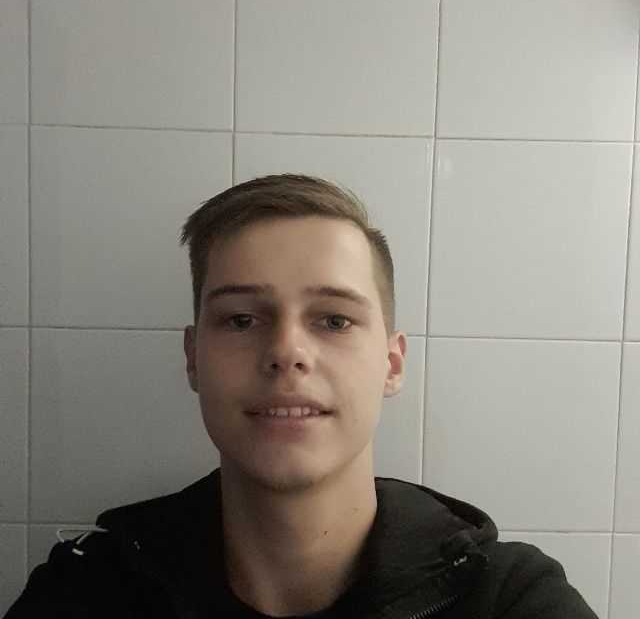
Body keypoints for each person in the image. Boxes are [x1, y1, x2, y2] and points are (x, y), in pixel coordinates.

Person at [5, 174, 598, 618]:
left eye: (334, 320)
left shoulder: (509, 600)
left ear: (391, 364)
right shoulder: (86, 594)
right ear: (193, 357)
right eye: (241, 320)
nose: (286, 352)